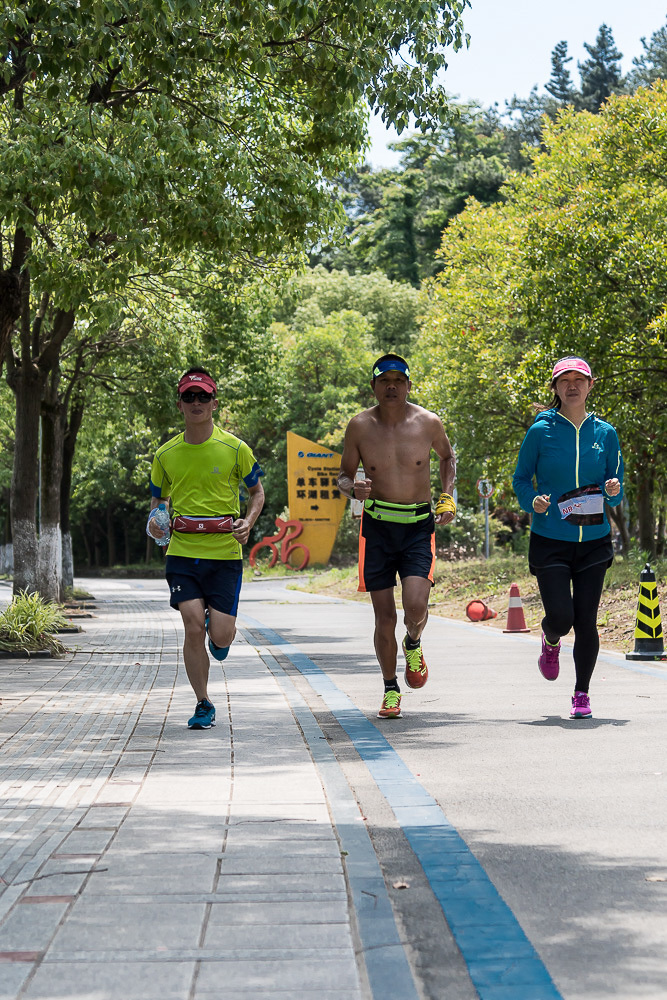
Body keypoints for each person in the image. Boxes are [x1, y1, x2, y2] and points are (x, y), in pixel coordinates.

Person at [337, 354, 456, 720]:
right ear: (373, 386)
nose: (391, 386)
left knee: (416, 606)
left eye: (398, 380)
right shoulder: (359, 426)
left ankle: (414, 642)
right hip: (377, 528)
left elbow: (448, 458)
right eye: (384, 380)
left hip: (418, 526)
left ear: (408, 385)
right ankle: (390, 688)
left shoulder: (428, 422)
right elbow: (343, 476)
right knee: (384, 617)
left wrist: (447, 496)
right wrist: (352, 487)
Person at [147, 367, 265, 729]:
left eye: (202, 396)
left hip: (225, 556)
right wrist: (155, 524)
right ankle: (203, 703)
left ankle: (221, 630)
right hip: (182, 553)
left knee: (220, 636)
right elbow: (156, 504)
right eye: (189, 397)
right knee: (192, 626)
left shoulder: (235, 449)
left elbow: (257, 492)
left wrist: (248, 521)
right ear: (179, 404)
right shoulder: (165, 455)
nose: (196, 403)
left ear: (214, 402)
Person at [512, 356, 624, 719]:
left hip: (594, 539)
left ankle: (582, 693)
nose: (572, 385)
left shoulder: (605, 433)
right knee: (561, 616)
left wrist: (613, 489)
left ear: (591, 386)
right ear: (556, 388)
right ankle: (550, 638)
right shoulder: (540, 430)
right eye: (565, 380)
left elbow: (617, 491)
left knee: (587, 618)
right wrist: (534, 502)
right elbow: (520, 479)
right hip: (551, 538)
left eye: (580, 379)